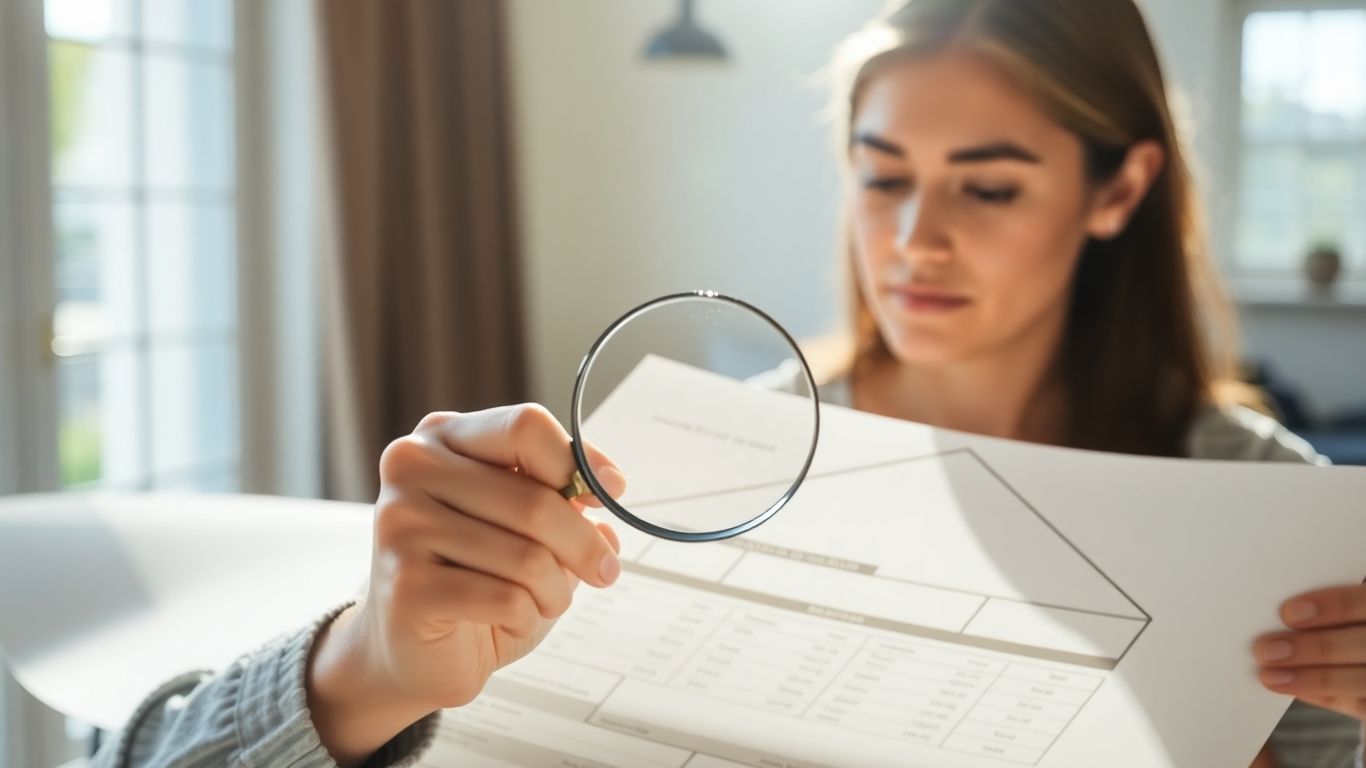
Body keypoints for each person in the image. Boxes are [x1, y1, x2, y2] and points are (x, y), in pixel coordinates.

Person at [93, 1, 1364, 767]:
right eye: (881, 174)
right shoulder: (688, 467)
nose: (915, 237)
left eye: (987, 186)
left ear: (1120, 190)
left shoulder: (1270, 516)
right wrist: (367, 662)